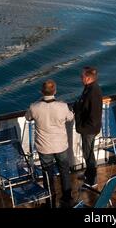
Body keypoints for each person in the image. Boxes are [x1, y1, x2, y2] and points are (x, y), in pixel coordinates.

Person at [25, 80, 74, 208]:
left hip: (44, 146)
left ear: (42, 91)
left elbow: (27, 117)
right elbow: (70, 117)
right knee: (64, 171)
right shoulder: (62, 106)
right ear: (55, 91)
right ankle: (67, 197)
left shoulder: (34, 107)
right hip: (60, 146)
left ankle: (50, 200)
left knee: (48, 174)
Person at [74, 66, 103, 188]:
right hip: (87, 128)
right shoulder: (88, 88)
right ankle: (88, 174)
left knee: (89, 154)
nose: (81, 78)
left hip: (89, 130)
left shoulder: (93, 92)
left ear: (88, 78)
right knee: (87, 152)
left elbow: (94, 116)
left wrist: (85, 128)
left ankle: (92, 180)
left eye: (82, 76)